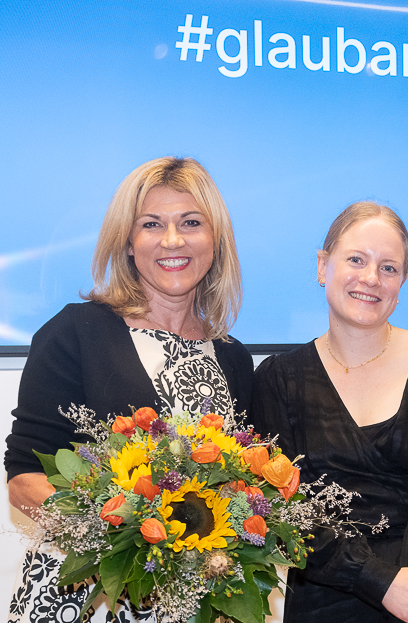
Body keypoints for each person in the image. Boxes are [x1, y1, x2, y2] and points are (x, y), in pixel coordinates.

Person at [5, 157, 254, 623]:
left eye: (191, 223)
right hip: (83, 598)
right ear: (127, 241)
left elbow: (239, 490)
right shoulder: (75, 332)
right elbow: (22, 480)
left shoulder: (234, 358)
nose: (172, 240)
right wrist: (124, 537)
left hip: (195, 603)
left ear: (215, 239)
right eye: (151, 224)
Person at [251, 201, 408, 623]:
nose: (371, 278)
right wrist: (379, 581)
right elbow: (285, 510)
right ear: (322, 266)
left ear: (402, 280)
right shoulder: (278, 380)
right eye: (356, 259)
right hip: (325, 600)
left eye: (388, 268)